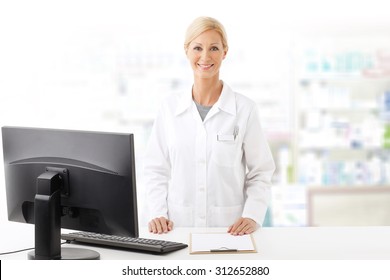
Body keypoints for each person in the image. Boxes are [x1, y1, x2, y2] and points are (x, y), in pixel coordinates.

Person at [143, 16, 275, 236]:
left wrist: (252, 215)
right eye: (197, 48)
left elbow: (261, 171)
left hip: (230, 231)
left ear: (225, 52)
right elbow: (155, 169)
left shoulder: (244, 109)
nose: (205, 56)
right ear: (186, 51)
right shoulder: (169, 108)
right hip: (177, 228)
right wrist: (158, 213)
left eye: (214, 48)